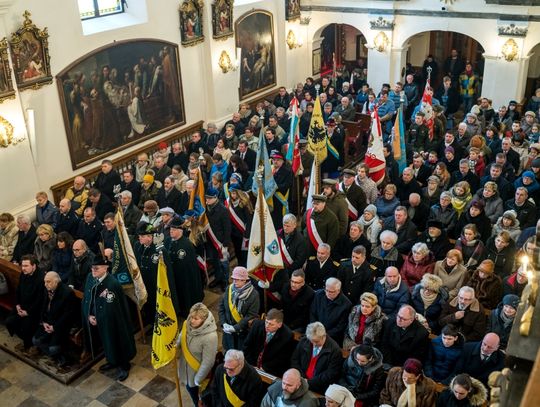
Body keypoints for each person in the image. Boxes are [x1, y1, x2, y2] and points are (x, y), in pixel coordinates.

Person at [82, 256, 136, 381]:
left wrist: (100, 318)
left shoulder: (112, 284)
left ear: (105, 268)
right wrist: (89, 315)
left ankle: (124, 365)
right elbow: (87, 299)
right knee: (106, 342)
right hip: (96, 319)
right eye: (92, 268)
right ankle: (112, 360)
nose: (93, 271)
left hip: (113, 321)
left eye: (96, 268)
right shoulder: (90, 278)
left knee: (116, 340)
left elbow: (114, 309)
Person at [176, 302, 218, 405]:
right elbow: (181, 338)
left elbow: (208, 362)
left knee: (199, 400)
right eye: (191, 317)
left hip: (198, 374)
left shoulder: (210, 337)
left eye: (196, 318)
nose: (192, 321)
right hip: (185, 368)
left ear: (204, 320)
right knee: (189, 390)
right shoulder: (187, 324)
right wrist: (173, 347)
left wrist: (198, 380)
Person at [31, 271, 76, 366]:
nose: (45, 284)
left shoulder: (67, 293)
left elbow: (68, 315)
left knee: (53, 348)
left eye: (48, 282)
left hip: (61, 325)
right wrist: (43, 322)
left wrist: (54, 327)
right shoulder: (47, 289)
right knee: (35, 340)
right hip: (48, 322)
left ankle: (61, 357)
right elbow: (42, 307)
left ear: (56, 282)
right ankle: (54, 355)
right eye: (45, 282)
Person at [165, 217, 204, 318]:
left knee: (185, 294)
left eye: (173, 230)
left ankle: (186, 310)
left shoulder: (186, 245)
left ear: (180, 231)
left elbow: (187, 267)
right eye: (170, 229)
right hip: (173, 276)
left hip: (184, 278)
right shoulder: (168, 241)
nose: (171, 231)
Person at [6, 255, 45, 352]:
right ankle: (25, 341)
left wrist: (27, 312)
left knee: (26, 328)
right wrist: (18, 305)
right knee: (9, 322)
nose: (23, 268)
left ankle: (28, 346)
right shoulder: (24, 273)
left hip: (33, 310)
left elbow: (40, 300)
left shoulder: (41, 279)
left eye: (26, 266)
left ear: (34, 266)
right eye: (22, 265)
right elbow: (18, 290)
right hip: (21, 305)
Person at [291, 322, 343, 394]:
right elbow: (295, 360)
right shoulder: (304, 341)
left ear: (324, 336)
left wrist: (309, 382)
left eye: (316, 341)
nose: (314, 344)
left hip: (319, 387)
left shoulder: (335, 350)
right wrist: (301, 378)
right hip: (300, 381)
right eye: (312, 341)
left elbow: (330, 374)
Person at [243, 308, 295, 377]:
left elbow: (282, 359)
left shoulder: (287, 335)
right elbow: (247, 346)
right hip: (252, 363)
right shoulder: (257, 325)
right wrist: (252, 365)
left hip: (271, 369)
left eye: (271, 324)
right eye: (266, 322)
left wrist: (264, 368)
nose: (267, 326)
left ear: (279, 325)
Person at [219, 266, 260, 351]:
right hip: (228, 334)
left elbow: (251, 315)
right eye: (233, 279)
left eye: (237, 279)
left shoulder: (254, 295)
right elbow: (222, 307)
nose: (234, 282)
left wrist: (236, 328)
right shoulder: (229, 289)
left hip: (242, 334)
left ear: (244, 280)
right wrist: (223, 323)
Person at [310, 277, 352, 344]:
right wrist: (314, 329)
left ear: (338, 290)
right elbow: (313, 313)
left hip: (331, 338)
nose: (328, 293)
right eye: (326, 290)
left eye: (331, 292)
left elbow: (340, 326)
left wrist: (323, 335)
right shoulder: (319, 294)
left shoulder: (346, 304)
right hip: (314, 331)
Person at [206, 187, 232, 291]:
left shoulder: (223, 210)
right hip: (211, 241)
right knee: (215, 261)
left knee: (224, 263)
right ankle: (218, 278)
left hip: (220, 241)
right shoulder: (207, 208)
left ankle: (225, 281)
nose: (207, 200)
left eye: (209, 198)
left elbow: (227, 227)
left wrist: (226, 242)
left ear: (215, 198)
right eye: (206, 198)